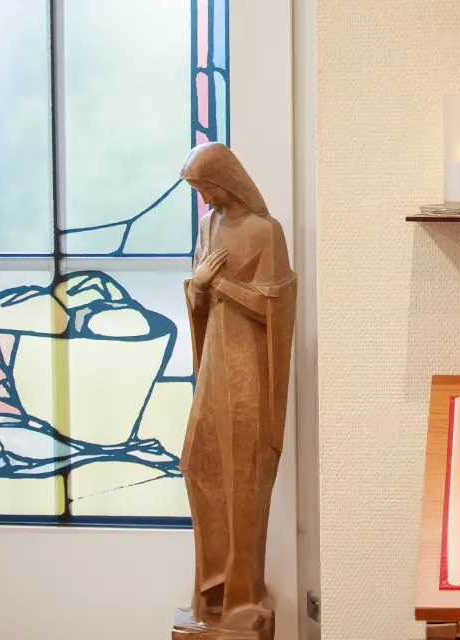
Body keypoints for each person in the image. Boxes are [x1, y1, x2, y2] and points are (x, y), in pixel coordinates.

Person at [179, 142, 297, 636]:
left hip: (247, 367)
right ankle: (211, 591)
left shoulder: (265, 231)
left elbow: (276, 304)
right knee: (198, 463)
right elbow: (199, 293)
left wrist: (218, 284)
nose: (204, 198)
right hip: (214, 370)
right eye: (198, 190)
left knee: (244, 478)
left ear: (227, 180)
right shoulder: (208, 228)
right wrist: (199, 287)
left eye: (207, 186)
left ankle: (243, 597)